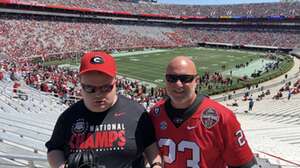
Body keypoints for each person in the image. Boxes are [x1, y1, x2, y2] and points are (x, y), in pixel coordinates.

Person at [46, 51, 162, 168]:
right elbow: (54, 149)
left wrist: (156, 165)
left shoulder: (137, 112)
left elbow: (151, 146)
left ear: (115, 82)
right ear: (80, 82)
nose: (98, 94)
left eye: (106, 87)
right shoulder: (68, 117)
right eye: (90, 88)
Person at [149, 56, 257, 168]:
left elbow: (243, 163)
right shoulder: (155, 113)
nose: (178, 84)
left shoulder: (222, 117)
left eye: (185, 78)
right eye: (171, 78)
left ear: (196, 81)